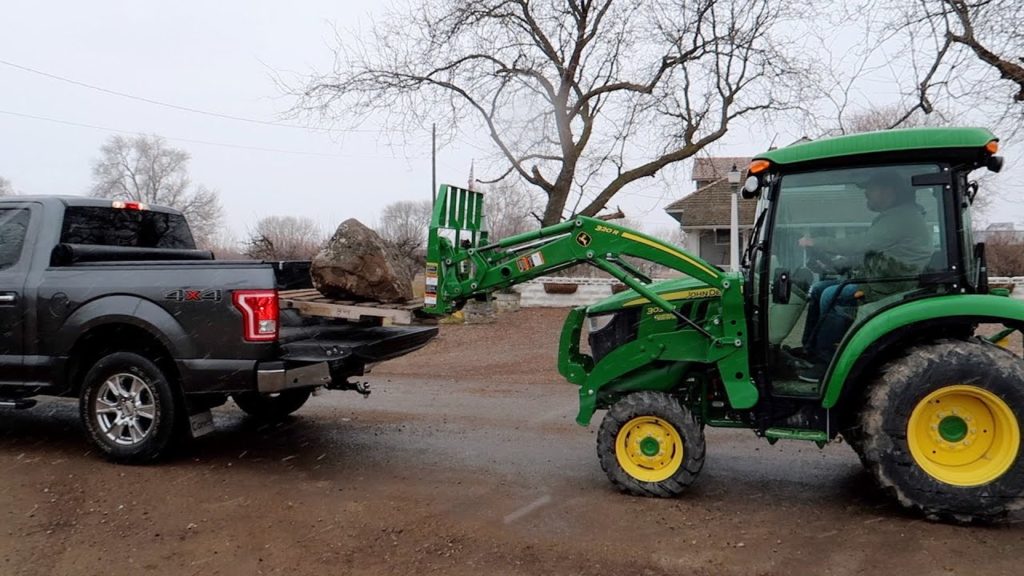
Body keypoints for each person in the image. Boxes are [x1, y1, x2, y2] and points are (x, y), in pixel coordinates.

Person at [793, 171, 933, 382]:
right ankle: (811, 350)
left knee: (831, 295)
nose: (867, 193)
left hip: (895, 286)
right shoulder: (897, 217)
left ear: (889, 191)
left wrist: (817, 242)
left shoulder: (902, 217)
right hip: (886, 279)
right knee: (821, 288)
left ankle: (826, 362)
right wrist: (837, 264)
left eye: (871, 188)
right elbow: (871, 254)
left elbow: (862, 244)